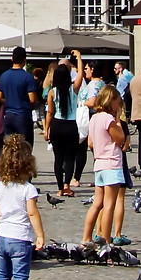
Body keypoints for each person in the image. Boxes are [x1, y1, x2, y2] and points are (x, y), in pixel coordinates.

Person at [0, 136, 48, 280]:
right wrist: (40, 235)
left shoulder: (1, 186)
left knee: (2, 273)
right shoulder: (28, 189)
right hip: (19, 238)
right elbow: (32, 213)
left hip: (2, 236)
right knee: (21, 276)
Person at [80, 84, 128, 247]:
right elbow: (120, 139)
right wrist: (118, 120)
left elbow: (91, 143)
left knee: (97, 203)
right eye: (117, 102)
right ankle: (106, 241)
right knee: (109, 205)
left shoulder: (94, 118)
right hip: (111, 164)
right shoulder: (108, 119)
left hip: (98, 163)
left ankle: (86, 237)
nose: (119, 105)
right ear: (111, 100)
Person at [45, 61, 83, 195]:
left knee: (58, 158)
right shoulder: (73, 89)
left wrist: (46, 129)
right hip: (71, 125)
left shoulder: (52, 92)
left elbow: (50, 112)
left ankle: (60, 188)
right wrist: (78, 59)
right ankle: (67, 184)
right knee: (70, 158)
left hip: (57, 125)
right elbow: (80, 75)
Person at [0, 52, 40, 148]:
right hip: (23, 115)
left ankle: (11, 162)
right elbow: (32, 99)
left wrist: (9, 100)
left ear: (12, 59)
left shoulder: (3, 76)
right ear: (24, 61)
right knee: (25, 147)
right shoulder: (27, 77)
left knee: (9, 147)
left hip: (8, 115)